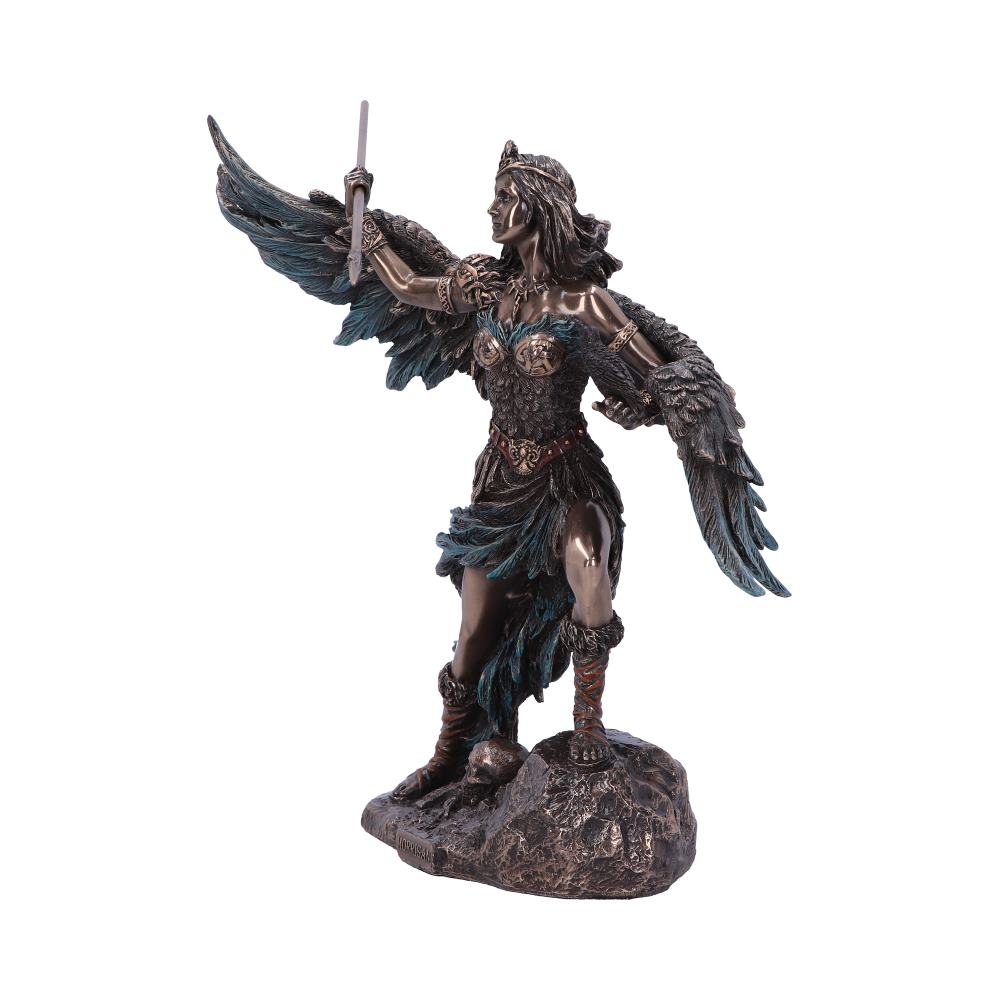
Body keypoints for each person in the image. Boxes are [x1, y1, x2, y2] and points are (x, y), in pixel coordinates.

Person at [210, 120, 788, 804]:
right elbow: (407, 285)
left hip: (567, 476)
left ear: (536, 210)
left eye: (503, 197)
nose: (491, 209)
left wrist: (658, 403)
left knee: (589, 568)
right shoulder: (481, 288)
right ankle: (449, 752)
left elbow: (651, 373)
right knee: (473, 632)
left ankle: (588, 724)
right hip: (500, 483)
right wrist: (364, 220)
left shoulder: (585, 304)